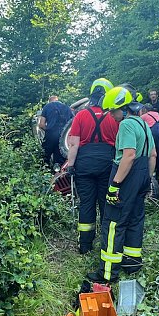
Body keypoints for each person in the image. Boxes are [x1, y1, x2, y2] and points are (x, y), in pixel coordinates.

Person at [85, 84, 156, 287]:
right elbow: (153, 155)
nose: (111, 115)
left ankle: (108, 272)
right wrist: (148, 180)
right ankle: (132, 263)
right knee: (134, 219)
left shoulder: (126, 125)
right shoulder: (143, 124)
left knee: (113, 222)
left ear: (123, 108)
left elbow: (129, 156)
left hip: (125, 176)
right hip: (142, 175)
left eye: (113, 111)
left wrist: (115, 185)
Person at [64, 78, 118, 254]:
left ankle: (85, 246)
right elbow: (118, 143)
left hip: (85, 164)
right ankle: (106, 243)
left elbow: (74, 144)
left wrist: (70, 165)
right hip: (107, 164)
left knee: (86, 203)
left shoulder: (81, 115)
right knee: (105, 204)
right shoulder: (113, 116)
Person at [39, 95, 74, 169]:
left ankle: (44, 173)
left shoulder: (47, 107)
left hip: (51, 135)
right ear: (58, 100)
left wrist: (48, 129)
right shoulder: (67, 108)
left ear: (49, 101)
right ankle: (57, 176)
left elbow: (41, 125)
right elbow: (73, 124)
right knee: (60, 161)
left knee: (44, 157)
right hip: (63, 138)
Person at [141, 104, 159, 191]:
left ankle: (152, 180)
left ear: (145, 109)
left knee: (151, 156)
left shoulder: (144, 116)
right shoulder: (158, 115)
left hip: (152, 135)